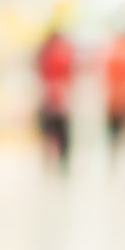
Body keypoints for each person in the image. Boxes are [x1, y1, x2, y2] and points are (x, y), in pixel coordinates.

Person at [36, 27, 75, 171]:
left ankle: (55, 162)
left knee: (52, 132)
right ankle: (59, 162)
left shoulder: (46, 53)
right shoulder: (59, 53)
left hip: (53, 98)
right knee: (57, 132)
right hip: (56, 98)